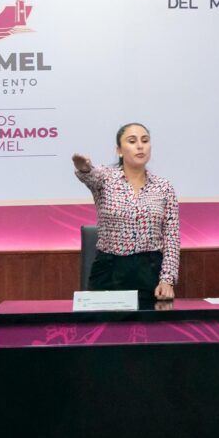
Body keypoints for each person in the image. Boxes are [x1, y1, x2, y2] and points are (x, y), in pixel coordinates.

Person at [73, 122, 180, 304]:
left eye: (145, 140)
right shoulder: (105, 178)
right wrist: (84, 168)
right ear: (119, 150)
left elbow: (171, 238)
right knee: (103, 323)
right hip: (109, 270)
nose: (140, 146)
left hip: (149, 271)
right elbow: (90, 175)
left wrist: (167, 279)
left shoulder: (164, 187)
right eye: (132, 141)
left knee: (149, 322)